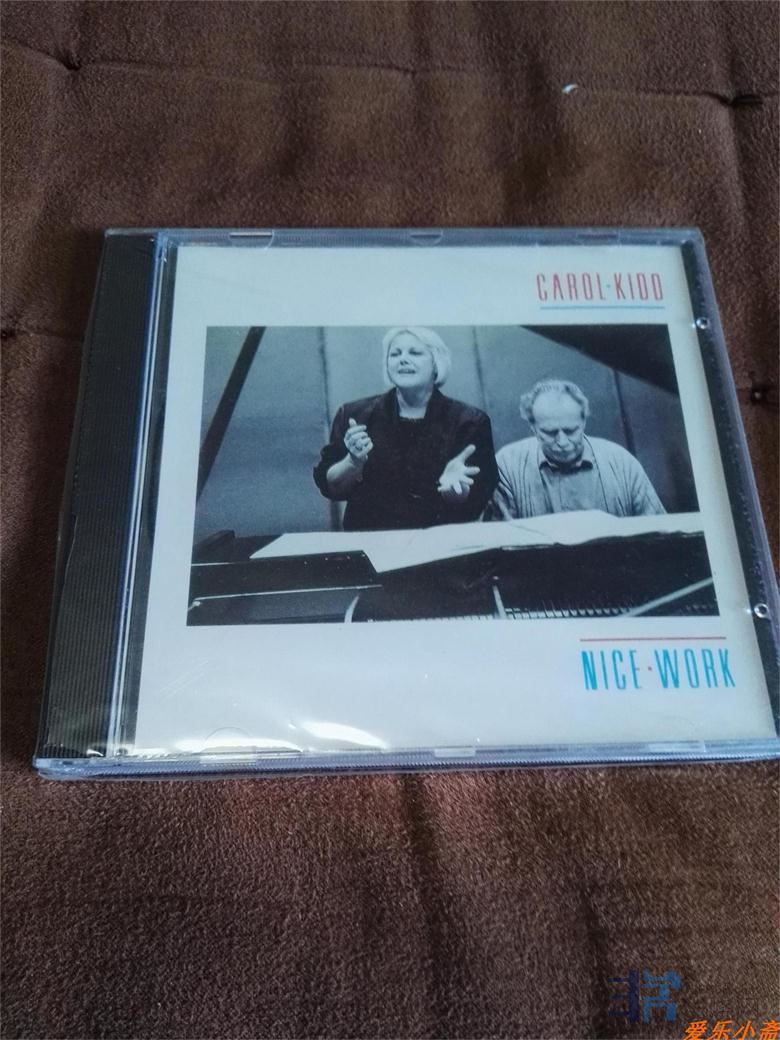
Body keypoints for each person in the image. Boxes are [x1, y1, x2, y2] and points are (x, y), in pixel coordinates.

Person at [313, 327, 498, 531]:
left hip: (439, 542)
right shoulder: (354, 416)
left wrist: (455, 493)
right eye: (395, 354)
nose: (403, 359)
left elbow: (479, 501)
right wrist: (353, 462)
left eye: (415, 353)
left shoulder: (470, 422)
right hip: (372, 541)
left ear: (436, 364)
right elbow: (332, 488)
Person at [489, 378, 666, 519]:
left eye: (571, 431)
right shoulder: (507, 465)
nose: (562, 442)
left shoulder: (622, 463)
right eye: (550, 432)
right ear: (533, 428)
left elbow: (658, 530)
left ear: (583, 422)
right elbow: (499, 538)